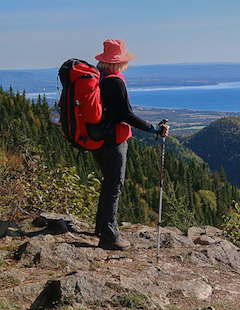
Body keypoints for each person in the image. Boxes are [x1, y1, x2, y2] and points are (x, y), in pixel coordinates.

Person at [93, 39, 169, 250]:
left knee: (108, 183)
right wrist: (154, 128)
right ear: (119, 62)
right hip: (114, 140)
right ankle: (109, 237)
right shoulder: (115, 82)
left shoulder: (99, 77)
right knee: (115, 185)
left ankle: (101, 227)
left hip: (98, 138)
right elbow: (126, 115)